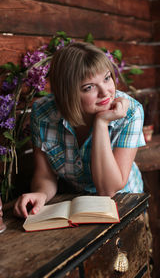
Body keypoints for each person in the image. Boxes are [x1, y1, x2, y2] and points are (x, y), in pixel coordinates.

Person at [14, 41, 146, 218]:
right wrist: (40, 194)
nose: (105, 92)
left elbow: (108, 190)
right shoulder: (43, 112)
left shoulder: (131, 112)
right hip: (75, 206)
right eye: (89, 87)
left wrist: (101, 123)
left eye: (107, 78)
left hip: (124, 204)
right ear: (67, 93)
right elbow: (45, 175)